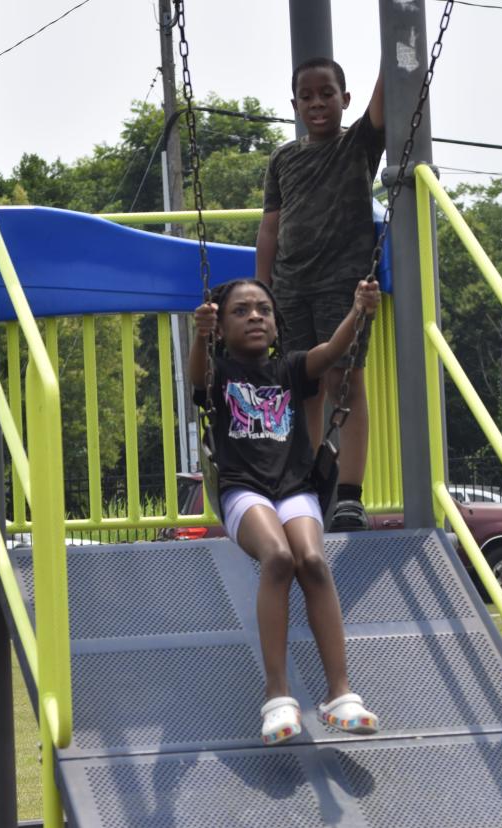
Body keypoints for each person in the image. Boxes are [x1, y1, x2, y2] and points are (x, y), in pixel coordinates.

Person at [189, 277, 381, 746]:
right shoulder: (218, 374)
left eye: (263, 310)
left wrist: (360, 310)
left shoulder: (293, 368)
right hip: (241, 490)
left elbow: (335, 350)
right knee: (277, 558)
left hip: (295, 486)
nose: (255, 316)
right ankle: (277, 696)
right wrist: (199, 334)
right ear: (220, 325)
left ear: (277, 324)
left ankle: (340, 695)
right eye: (240, 311)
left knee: (313, 561)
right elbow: (195, 378)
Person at [255, 56, 385, 531]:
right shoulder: (284, 159)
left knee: (344, 382)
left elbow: (383, 101)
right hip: (290, 286)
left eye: (326, 94)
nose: (317, 103)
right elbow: (270, 227)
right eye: (306, 96)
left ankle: (349, 496)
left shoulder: (358, 145)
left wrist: (398, 42)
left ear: (344, 99)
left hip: (343, 285)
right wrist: (262, 290)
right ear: (294, 105)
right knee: (301, 386)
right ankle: (307, 487)